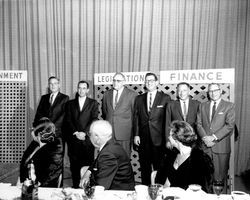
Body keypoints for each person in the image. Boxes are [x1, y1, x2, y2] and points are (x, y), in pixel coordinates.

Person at [155, 120, 214, 193]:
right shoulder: (170, 156)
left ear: (176, 137)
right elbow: (158, 181)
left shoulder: (201, 159)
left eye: (170, 135)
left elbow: (204, 189)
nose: (168, 137)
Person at [134, 72, 171, 185]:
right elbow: (136, 118)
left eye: (151, 80)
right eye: (147, 81)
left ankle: (158, 190)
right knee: (145, 168)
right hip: (143, 140)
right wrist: (136, 134)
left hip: (159, 140)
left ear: (156, 82)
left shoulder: (165, 98)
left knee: (159, 168)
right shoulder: (139, 98)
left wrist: (168, 138)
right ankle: (145, 190)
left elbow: (168, 120)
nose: (149, 83)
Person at [197, 83, 235, 190]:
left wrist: (213, 137)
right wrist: (205, 138)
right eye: (210, 91)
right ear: (208, 93)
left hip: (221, 148)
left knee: (219, 180)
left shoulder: (229, 106)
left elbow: (229, 125)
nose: (213, 93)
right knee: (205, 178)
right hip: (205, 148)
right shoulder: (202, 106)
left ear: (220, 91)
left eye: (215, 90)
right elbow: (198, 124)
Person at [33, 76, 69, 187]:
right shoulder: (44, 98)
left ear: (59, 85)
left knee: (56, 163)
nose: (53, 85)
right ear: (49, 85)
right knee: (44, 161)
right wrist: (36, 130)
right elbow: (38, 116)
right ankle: (45, 186)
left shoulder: (65, 98)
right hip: (43, 135)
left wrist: (52, 129)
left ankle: (57, 187)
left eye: (55, 83)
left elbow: (64, 117)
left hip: (57, 136)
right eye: (51, 83)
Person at [79, 120, 135, 190]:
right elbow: (97, 161)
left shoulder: (107, 154)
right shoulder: (111, 144)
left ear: (97, 137)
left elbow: (100, 188)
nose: (89, 137)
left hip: (118, 194)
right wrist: (87, 173)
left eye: (90, 134)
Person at [64, 80, 99, 188]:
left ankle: (87, 188)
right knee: (74, 166)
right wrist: (76, 132)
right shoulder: (70, 104)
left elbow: (94, 119)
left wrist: (84, 132)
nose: (81, 90)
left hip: (87, 140)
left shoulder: (93, 103)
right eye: (79, 88)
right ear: (77, 89)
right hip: (74, 140)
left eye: (84, 88)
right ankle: (75, 188)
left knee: (88, 165)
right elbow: (68, 120)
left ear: (87, 90)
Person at [20, 117, 63, 187]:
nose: (31, 132)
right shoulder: (35, 143)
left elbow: (50, 176)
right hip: (28, 183)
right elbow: (25, 161)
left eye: (33, 129)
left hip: (45, 188)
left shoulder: (56, 147)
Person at [102, 72, 137, 156]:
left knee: (124, 158)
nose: (115, 83)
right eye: (114, 80)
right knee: (110, 157)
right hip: (109, 134)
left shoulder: (132, 94)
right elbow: (104, 112)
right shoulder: (107, 94)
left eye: (118, 81)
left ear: (124, 82)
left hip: (124, 133)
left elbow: (135, 115)